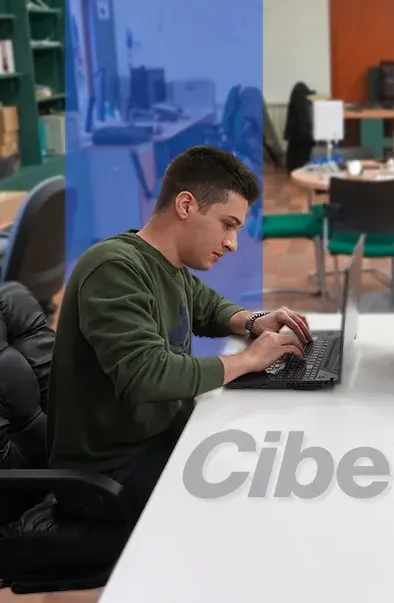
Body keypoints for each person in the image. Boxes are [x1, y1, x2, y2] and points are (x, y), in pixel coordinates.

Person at [47, 145, 312, 521]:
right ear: (186, 205)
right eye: (227, 225)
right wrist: (249, 359)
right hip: (107, 476)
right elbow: (146, 375)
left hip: (156, 440)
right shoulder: (113, 269)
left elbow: (208, 307)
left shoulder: (168, 266)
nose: (233, 244)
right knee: (258, 495)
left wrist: (254, 321)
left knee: (275, 451)